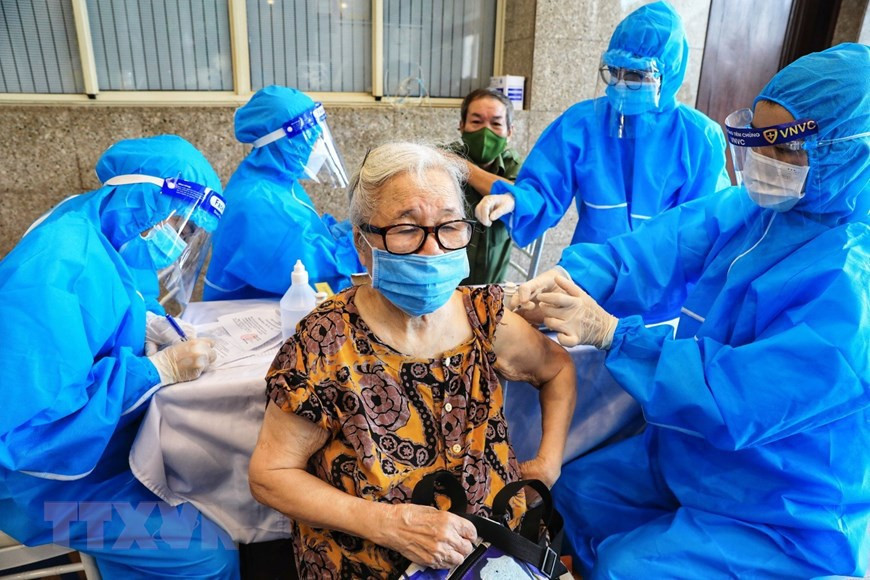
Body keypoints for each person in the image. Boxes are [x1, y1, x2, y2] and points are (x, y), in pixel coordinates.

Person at [511, 44, 870, 577]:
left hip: (784, 506)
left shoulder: (850, 285)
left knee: (622, 568)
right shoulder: (753, 211)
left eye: (785, 150)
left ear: (849, 151)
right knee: (582, 490)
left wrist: (613, 334)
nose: (764, 165)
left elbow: (737, 399)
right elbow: (652, 250)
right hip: (692, 453)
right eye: (756, 142)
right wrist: (569, 281)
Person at [248, 142, 576, 577]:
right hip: (370, 561)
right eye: (406, 230)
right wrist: (389, 524)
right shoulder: (326, 340)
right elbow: (270, 474)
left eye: (449, 227)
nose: (432, 251)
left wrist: (548, 464)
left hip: (494, 556)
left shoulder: (486, 317)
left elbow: (558, 369)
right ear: (363, 245)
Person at [0, 136, 240, 578]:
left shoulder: (106, 231)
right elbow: (32, 426)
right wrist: (155, 370)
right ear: (144, 196)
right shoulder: (55, 262)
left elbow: (121, 302)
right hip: (44, 485)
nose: (181, 241)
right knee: (205, 552)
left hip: (97, 451)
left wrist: (148, 322)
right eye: (181, 226)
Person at [476, 1, 730, 315]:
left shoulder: (698, 137)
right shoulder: (583, 123)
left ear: (669, 74)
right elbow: (546, 185)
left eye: (636, 75)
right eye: (615, 71)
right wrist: (516, 200)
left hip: (661, 290)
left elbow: (704, 224)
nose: (622, 83)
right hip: (587, 278)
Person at [204, 85, 362, 301]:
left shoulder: (275, 179)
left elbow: (307, 231)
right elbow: (323, 269)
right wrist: (365, 241)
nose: (318, 144)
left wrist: (349, 231)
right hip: (255, 317)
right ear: (281, 140)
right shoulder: (258, 203)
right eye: (309, 137)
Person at [446, 88, 524, 284]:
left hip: (491, 285)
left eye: (496, 123)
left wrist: (464, 168)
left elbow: (521, 196)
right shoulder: (445, 157)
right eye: (476, 122)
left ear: (509, 132)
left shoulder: (512, 164)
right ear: (461, 126)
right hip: (447, 286)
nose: (485, 131)